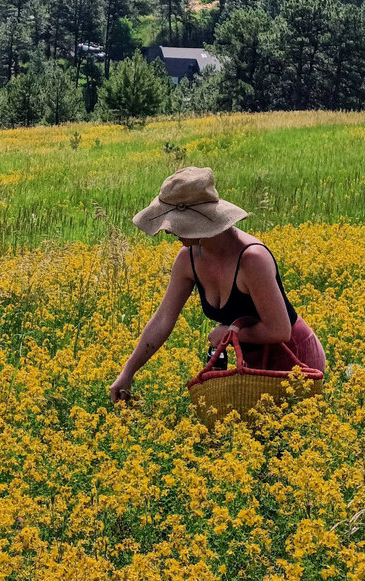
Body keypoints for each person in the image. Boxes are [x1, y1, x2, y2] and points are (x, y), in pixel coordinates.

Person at [109, 166, 326, 404]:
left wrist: (229, 332)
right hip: (253, 365)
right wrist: (128, 372)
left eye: (175, 222)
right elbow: (162, 320)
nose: (168, 230)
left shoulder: (252, 259)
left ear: (196, 221)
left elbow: (279, 331)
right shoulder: (187, 259)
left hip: (295, 360)